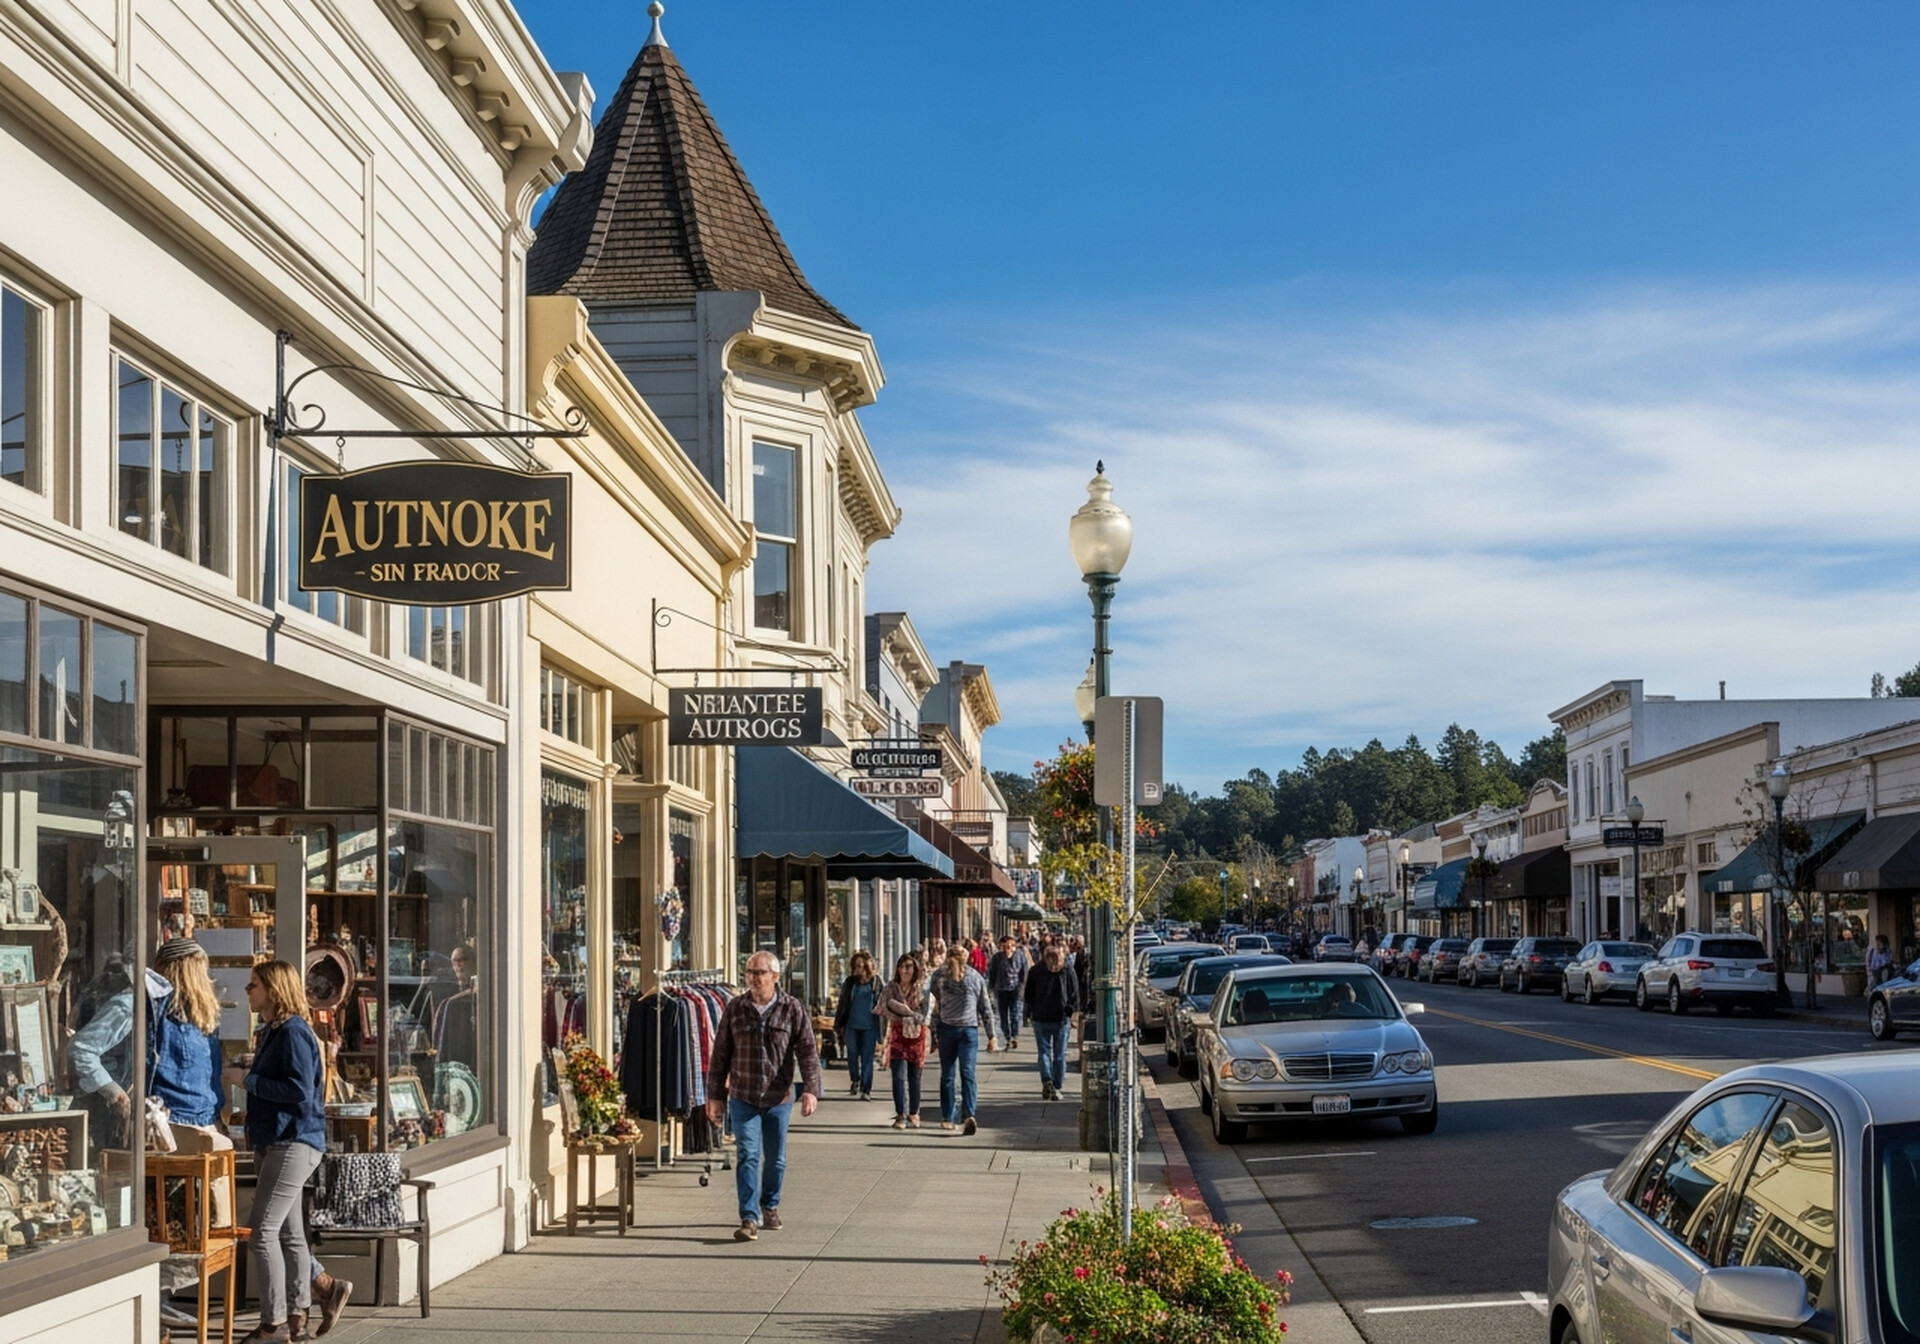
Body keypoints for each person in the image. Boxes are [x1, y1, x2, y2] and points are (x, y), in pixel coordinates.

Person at [704, 951, 822, 1242]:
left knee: (776, 1160)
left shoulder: (791, 1008)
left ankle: (770, 1205)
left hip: (778, 1097)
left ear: (775, 977)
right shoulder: (735, 1008)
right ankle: (749, 1216)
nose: (754, 978)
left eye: (760, 973)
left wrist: (810, 1090)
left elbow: (807, 1050)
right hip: (743, 1095)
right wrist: (715, 1096)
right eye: (750, 973)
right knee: (747, 1154)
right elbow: (720, 1055)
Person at [243, 960, 327, 1344]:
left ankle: (272, 1323)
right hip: (278, 1139)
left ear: (274, 991)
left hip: (293, 1140)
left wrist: (248, 1080)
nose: (248, 990)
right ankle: (298, 1320)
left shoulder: (293, 1031)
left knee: (262, 1232)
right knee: (292, 1235)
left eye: (254, 985)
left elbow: (298, 1090)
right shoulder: (273, 1031)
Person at [930, 944, 992, 1135]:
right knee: (964, 1074)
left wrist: (932, 1032)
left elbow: (934, 1007)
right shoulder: (941, 977)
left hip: (956, 1030)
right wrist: (992, 1037)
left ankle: (957, 1117)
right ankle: (962, 1115)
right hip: (962, 1030)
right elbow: (985, 1007)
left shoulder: (970, 977)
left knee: (952, 1075)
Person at [1022, 941, 1079, 1101]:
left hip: (1041, 1017)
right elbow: (1074, 993)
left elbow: (1028, 995)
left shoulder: (1036, 970)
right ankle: (1057, 1086)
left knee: (1044, 1052)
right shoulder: (1067, 970)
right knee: (1060, 1055)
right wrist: (1071, 1010)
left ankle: (1047, 1079)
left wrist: (1030, 1012)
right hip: (1060, 1018)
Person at [879, 954, 929, 1129]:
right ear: (898, 969)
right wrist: (897, 1014)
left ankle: (913, 1112)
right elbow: (882, 1007)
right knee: (898, 1077)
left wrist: (909, 1013)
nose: (907, 969)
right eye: (903, 966)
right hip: (898, 1034)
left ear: (915, 969)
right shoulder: (891, 988)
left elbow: (926, 1015)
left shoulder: (921, 989)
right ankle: (901, 1115)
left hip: (916, 1035)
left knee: (914, 1076)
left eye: (910, 966)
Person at [833, 951, 882, 1101]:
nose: (859, 968)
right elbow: (843, 1003)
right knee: (852, 1055)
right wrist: (838, 1023)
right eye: (856, 965)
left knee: (867, 1058)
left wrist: (883, 1031)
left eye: (861, 965)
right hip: (852, 1025)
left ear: (868, 966)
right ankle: (855, 1079)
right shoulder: (850, 982)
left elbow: (883, 1003)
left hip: (869, 1026)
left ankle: (866, 1089)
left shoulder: (876, 982)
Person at [987, 934, 1030, 1049]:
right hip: (1001, 990)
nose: (1008, 947)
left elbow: (1024, 971)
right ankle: (1008, 1037)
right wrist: (990, 988)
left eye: (1011, 944)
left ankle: (1015, 1035)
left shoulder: (1020, 955)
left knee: (1015, 1014)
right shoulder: (997, 957)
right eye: (1006, 945)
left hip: (1015, 989)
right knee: (1003, 1015)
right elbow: (992, 973)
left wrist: (1023, 986)